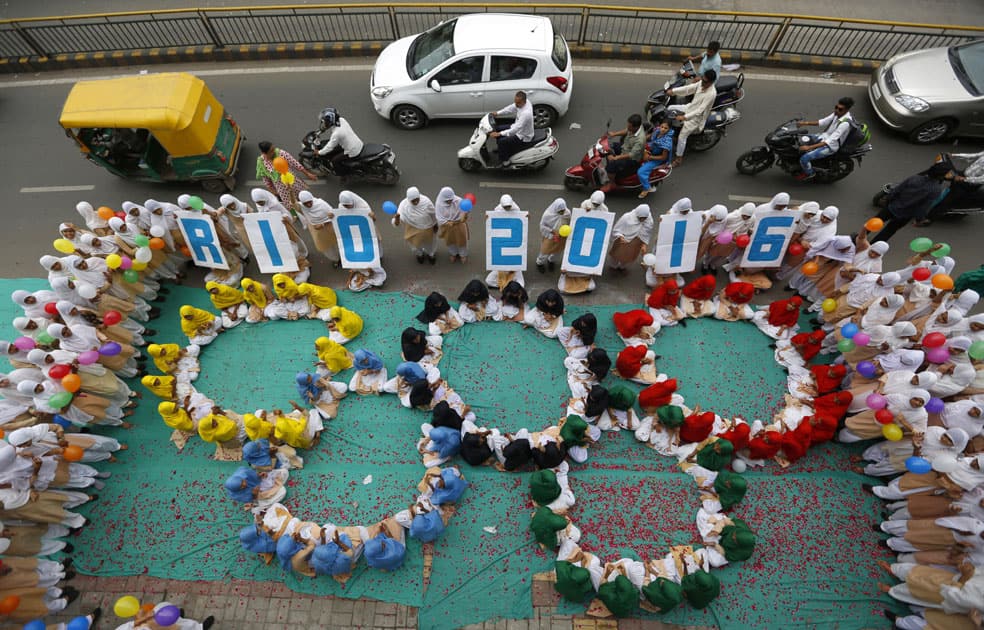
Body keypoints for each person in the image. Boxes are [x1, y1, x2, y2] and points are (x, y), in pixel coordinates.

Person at [872, 163, 951, 243]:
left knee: (874, 223)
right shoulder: (936, 190)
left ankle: (860, 237)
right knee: (888, 231)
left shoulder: (915, 178)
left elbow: (897, 190)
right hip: (905, 215)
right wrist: (919, 219)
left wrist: (888, 201)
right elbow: (923, 208)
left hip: (892, 207)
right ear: (941, 176)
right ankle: (872, 246)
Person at [665, 70, 717, 168]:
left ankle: (678, 159)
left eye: (705, 81)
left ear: (711, 82)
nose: (702, 82)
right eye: (702, 79)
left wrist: (685, 117)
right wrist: (673, 91)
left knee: (682, 137)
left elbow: (700, 110)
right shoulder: (701, 84)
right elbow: (689, 88)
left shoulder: (711, 94)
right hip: (689, 108)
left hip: (696, 119)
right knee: (670, 108)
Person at [795, 97, 855, 181]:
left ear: (846, 110)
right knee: (801, 139)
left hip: (830, 146)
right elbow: (823, 122)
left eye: (840, 109)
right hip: (823, 137)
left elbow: (830, 141)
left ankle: (810, 174)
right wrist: (805, 123)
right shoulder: (837, 114)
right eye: (836, 107)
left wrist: (809, 147)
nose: (837, 110)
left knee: (804, 159)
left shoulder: (845, 123)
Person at [255, 141, 317, 211]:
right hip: (282, 189)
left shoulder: (281, 153)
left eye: (273, 148)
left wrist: (308, 174)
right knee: (291, 206)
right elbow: (266, 181)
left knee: (304, 197)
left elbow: (295, 163)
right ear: (264, 153)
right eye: (271, 151)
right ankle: (297, 215)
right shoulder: (261, 163)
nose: (274, 151)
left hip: (293, 182)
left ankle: (312, 210)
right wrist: (275, 193)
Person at [315, 107, 365, 177]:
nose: (324, 123)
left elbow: (329, 147)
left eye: (325, 122)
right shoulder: (342, 120)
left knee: (334, 161)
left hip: (352, 151)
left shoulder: (337, 133)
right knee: (335, 150)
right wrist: (323, 129)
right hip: (356, 143)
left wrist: (319, 152)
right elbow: (329, 126)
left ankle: (343, 175)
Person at [394, 186, 437, 265]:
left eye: (417, 199)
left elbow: (433, 214)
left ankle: (431, 255)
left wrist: (435, 224)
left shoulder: (426, 201)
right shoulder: (403, 205)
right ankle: (419, 255)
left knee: (430, 244)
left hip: (427, 229)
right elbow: (397, 223)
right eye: (413, 201)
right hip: (412, 230)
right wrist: (397, 218)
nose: (416, 202)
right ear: (409, 199)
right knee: (415, 246)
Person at [490, 90, 535, 165]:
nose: (516, 104)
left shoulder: (526, 113)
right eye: (515, 102)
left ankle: (505, 161)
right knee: (497, 128)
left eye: (518, 103)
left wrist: (500, 134)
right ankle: (502, 149)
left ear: (524, 101)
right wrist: (498, 113)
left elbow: (516, 129)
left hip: (523, 136)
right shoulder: (522, 102)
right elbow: (510, 108)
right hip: (516, 127)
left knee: (502, 141)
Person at [637, 120, 674, 199]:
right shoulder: (657, 131)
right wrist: (641, 140)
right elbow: (650, 136)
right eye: (662, 127)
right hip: (650, 149)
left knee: (641, 172)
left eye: (665, 128)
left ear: (669, 129)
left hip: (657, 158)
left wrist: (649, 157)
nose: (663, 129)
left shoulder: (667, 142)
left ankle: (647, 188)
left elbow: (663, 157)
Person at [605, 114, 646, 182]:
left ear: (636, 127)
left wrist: (616, 158)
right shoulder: (636, 127)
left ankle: (611, 183)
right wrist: (614, 134)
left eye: (629, 126)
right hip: (625, 147)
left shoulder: (640, 140)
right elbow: (627, 130)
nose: (628, 127)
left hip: (632, 159)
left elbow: (631, 155)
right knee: (609, 146)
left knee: (610, 166)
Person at [435, 187, 470, 263]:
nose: (450, 201)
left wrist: (464, 214)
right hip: (447, 226)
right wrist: (447, 223)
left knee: (462, 241)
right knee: (450, 241)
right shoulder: (439, 204)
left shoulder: (459, 200)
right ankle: (453, 253)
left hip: (459, 224)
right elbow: (439, 217)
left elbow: (465, 211)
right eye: (447, 201)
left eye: (451, 199)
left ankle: (463, 254)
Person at [536, 198, 570, 273]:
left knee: (558, 251)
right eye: (560, 211)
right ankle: (540, 263)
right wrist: (552, 231)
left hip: (561, 236)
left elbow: (569, 222)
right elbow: (542, 226)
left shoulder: (567, 213)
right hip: (550, 236)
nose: (562, 212)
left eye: (563, 210)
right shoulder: (547, 214)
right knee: (545, 250)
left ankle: (551, 261)